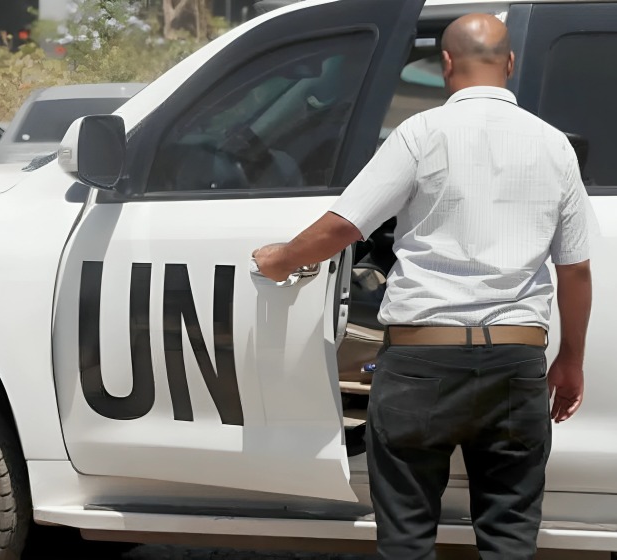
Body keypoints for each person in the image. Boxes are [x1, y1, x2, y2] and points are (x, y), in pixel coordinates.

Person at [252, 13, 594, 560]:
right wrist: (571, 360)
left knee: (407, 535)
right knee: (510, 533)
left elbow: (345, 226)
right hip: (515, 362)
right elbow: (575, 269)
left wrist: (281, 258)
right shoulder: (554, 146)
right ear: (510, 64)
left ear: (446, 65)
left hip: (420, 366)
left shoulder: (420, 134)